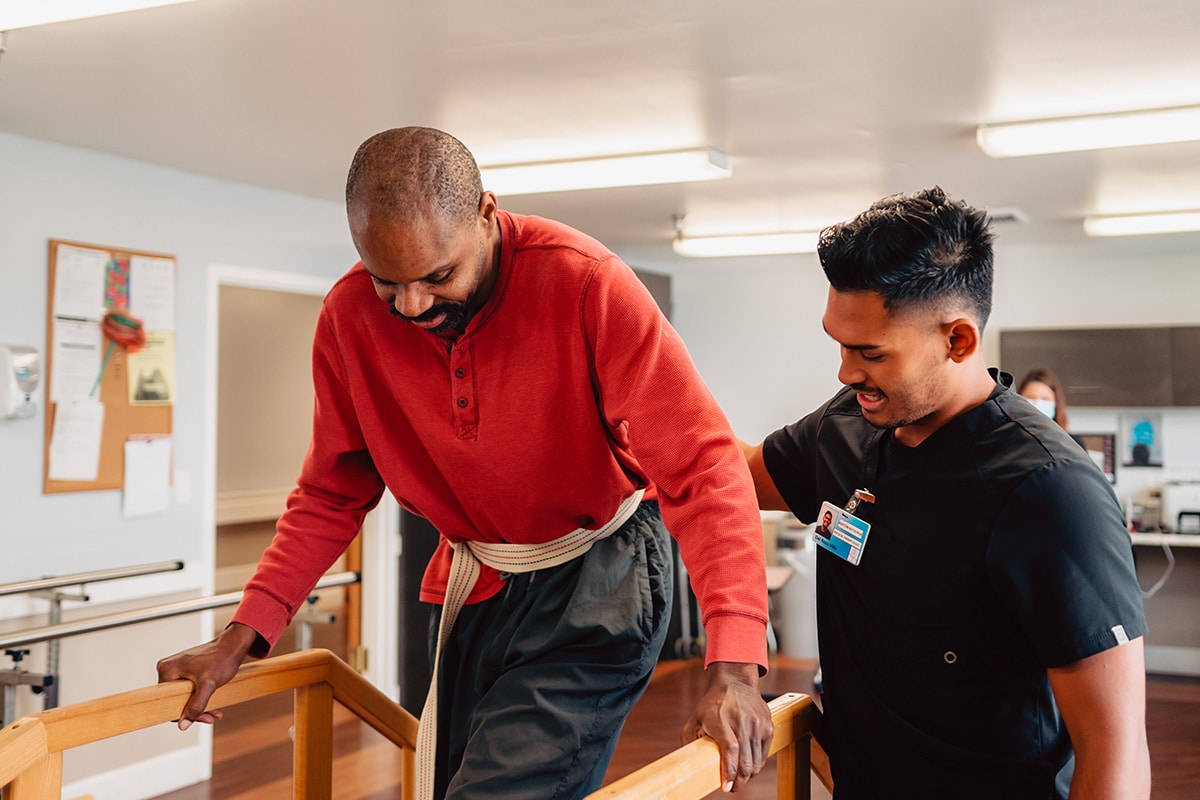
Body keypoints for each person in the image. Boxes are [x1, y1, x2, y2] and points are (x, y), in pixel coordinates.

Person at [157, 127, 773, 800]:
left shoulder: (585, 281)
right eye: (388, 282)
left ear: (486, 213)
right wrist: (241, 634)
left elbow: (703, 465)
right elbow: (332, 491)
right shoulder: (346, 317)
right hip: (477, 578)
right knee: (455, 780)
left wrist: (736, 667)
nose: (413, 305)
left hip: (600, 573)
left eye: (438, 276)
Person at [741, 187, 1150, 799]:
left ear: (958, 341)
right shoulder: (846, 427)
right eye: (840, 343)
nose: (846, 372)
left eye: (870, 352)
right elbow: (730, 478)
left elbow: (1114, 752)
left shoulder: (1049, 489)